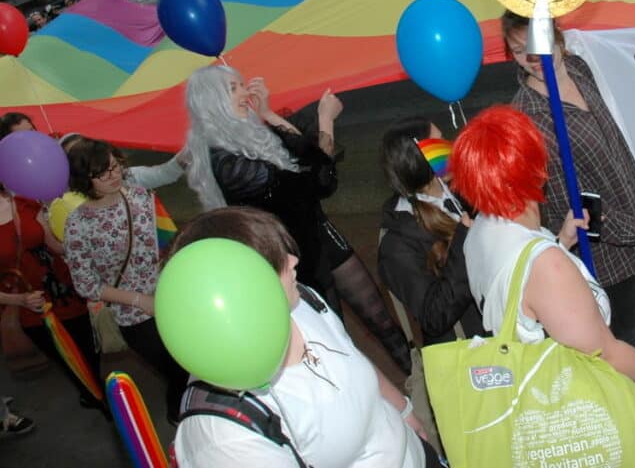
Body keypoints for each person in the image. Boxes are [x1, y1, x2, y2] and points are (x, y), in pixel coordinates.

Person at [449, 105, 635, 468]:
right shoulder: (547, 266)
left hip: (537, 404)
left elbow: (523, 299)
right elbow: (607, 353)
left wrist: (560, 242)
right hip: (583, 409)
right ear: (534, 170)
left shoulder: (477, 233)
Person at [502, 12, 635, 432]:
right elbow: (570, 206)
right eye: (518, 50)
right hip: (604, 247)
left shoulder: (578, 66)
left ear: (557, 38)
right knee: (618, 342)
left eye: (536, 43)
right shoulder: (528, 118)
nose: (529, 57)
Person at [169, 206, 442, 468]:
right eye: (276, 261)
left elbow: (349, 355)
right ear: (239, 288)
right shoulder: (223, 435)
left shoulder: (301, 303)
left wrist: (404, 411)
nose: (293, 260)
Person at [184, 66, 411, 375]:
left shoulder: (249, 135)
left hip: (319, 236)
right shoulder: (228, 162)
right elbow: (317, 182)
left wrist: (268, 114)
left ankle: (424, 382)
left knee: (380, 318)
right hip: (294, 260)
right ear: (211, 102)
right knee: (334, 340)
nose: (243, 93)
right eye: (233, 89)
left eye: (240, 84)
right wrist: (325, 122)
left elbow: (309, 168)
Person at [62, 137, 189, 423]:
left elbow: (163, 236)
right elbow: (86, 284)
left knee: (192, 355)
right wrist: (139, 300)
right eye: (103, 172)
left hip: (174, 291)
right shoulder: (78, 224)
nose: (115, 174)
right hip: (134, 315)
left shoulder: (139, 194)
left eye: (115, 165)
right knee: (173, 367)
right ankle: (179, 413)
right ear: (85, 179)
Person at [0, 116, 107, 416]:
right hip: (31, 307)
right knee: (70, 362)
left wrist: (93, 255)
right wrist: (18, 300)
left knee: (90, 351)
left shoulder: (25, 200)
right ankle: (98, 401)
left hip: (65, 290)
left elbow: (53, 244)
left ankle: (100, 399)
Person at [378, 117, 484, 345]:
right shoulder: (397, 244)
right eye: (438, 143)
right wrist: (465, 243)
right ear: (416, 159)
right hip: (474, 351)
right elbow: (434, 317)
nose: (450, 146)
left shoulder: (460, 193)